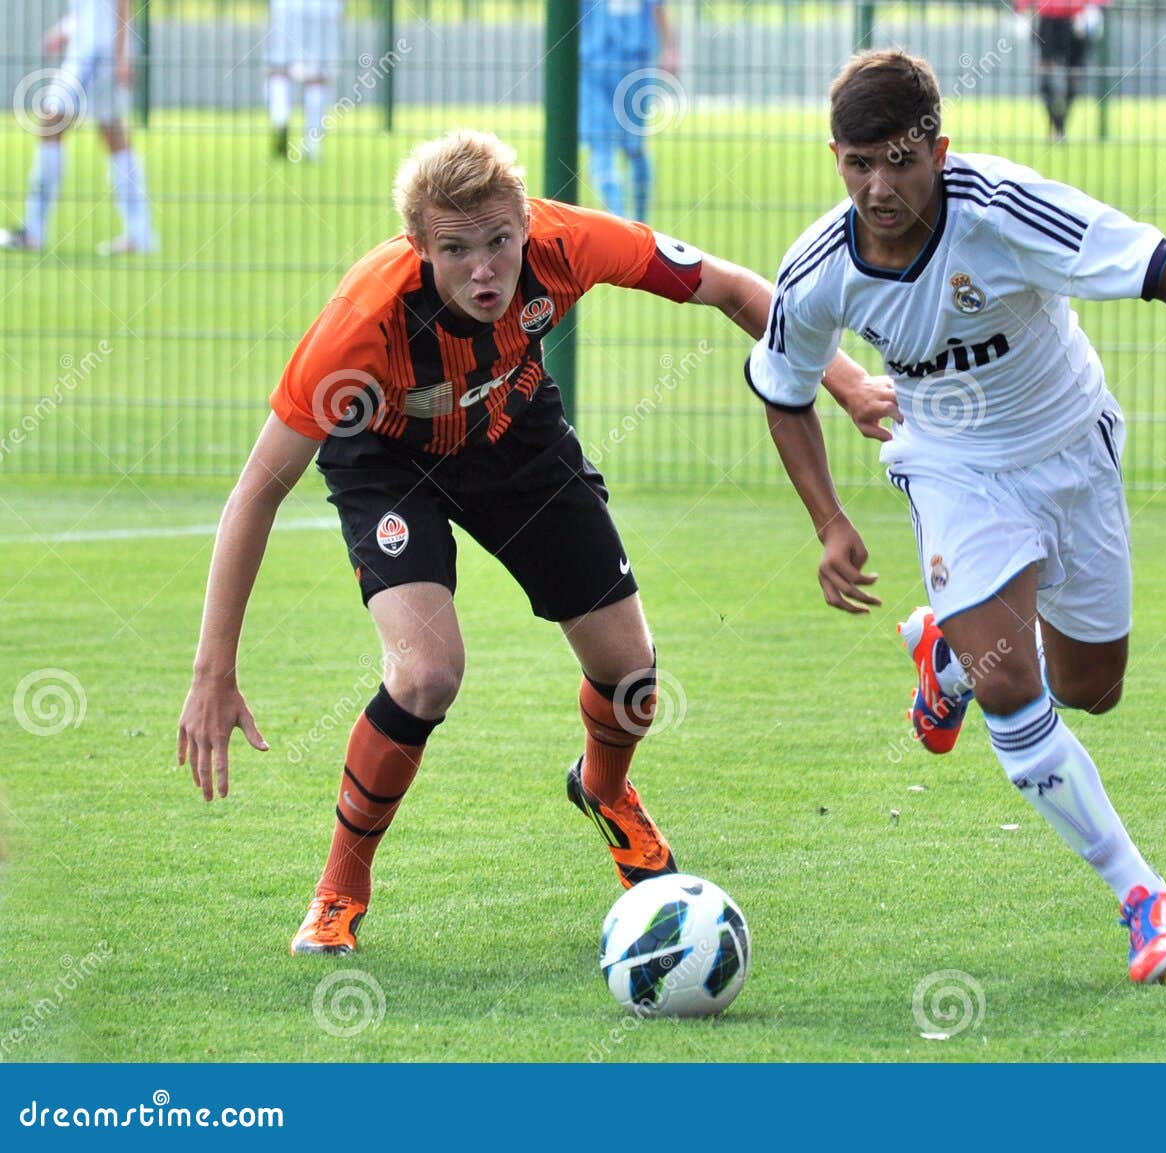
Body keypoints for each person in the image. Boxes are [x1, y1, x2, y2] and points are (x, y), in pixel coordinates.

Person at [176, 130, 890, 956]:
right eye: (455, 250)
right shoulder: (360, 329)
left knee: (631, 675)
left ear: (525, 222)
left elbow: (733, 289)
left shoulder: (569, 242)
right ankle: (340, 888)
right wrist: (214, 670)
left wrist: (844, 382)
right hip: (387, 459)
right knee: (426, 673)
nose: (484, 269)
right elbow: (256, 490)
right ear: (418, 248)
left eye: (499, 242)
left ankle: (605, 790)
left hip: (514, 432)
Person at [746, 52, 1166, 984]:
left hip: (1073, 451)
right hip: (951, 469)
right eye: (857, 163)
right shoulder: (821, 269)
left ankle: (948, 654)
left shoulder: (1002, 209)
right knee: (1012, 690)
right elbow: (784, 389)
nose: (878, 187)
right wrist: (830, 521)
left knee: (1092, 687)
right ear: (834, 156)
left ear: (938, 151)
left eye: (900, 162)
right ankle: (1143, 894)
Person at [1, 0, 156, 254]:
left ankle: (34, 230)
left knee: (52, 121)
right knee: (112, 134)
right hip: (91, 50)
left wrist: (121, 56)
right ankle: (140, 234)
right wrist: (64, 30)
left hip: (98, 53)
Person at [580, 0, 679, 220]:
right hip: (616, 64)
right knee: (622, 147)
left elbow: (657, 8)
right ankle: (631, 224)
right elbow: (658, 8)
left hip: (612, 64)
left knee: (613, 147)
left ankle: (626, 224)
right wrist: (670, 49)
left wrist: (670, 49)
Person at [1015, 0, 1108, 142]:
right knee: (1046, 78)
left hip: (1077, 19)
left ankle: (1059, 127)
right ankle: (1057, 126)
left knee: (1073, 79)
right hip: (1048, 19)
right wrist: (1021, 10)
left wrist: (1093, 9)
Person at [265, 0, 343, 162]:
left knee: (280, 67)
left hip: (287, 6)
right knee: (317, 75)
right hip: (324, 8)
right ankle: (312, 143)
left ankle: (280, 119)